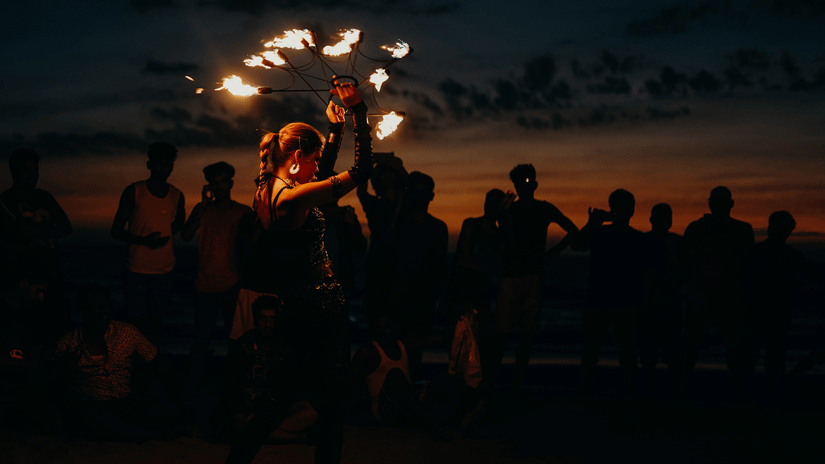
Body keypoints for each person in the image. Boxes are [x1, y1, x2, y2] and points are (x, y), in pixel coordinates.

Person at [224, 80, 372, 464]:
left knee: (274, 405)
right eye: (314, 157)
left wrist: (335, 129)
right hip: (321, 312)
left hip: (292, 309)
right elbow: (362, 169)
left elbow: (319, 174)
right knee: (333, 408)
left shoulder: (267, 189)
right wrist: (359, 112)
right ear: (296, 158)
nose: (317, 167)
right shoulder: (293, 197)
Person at [46, 285, 186, 441]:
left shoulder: (127, 332)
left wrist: (177, 398)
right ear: (84, 312)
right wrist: (66, 370)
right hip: (91, 406)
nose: (105, 310)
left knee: (168, 408)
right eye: (97, 307)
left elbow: (158, 363)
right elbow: (53, 384)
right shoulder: (67, 343)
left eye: (107, 305)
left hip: (125, 403)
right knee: (85, 416)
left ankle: (124, 430)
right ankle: (151, 435)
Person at [487, 164, 578, 396]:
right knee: (501, 334)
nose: (524, 186)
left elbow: (572, 229)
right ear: (515, 186)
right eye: (519, 183)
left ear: (534, 184)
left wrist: (554, 252)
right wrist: (502, 218)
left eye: (527, 182)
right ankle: (488, 385)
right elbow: (506, 242)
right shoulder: (510, 211)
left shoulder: (544, 209)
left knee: (526, 335)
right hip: (511, 275)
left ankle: (515, 387)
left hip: (533, 275)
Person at [571, 189, 654, 399]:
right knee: (603, 348)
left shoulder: (633, 238)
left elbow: (646, 273)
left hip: (615, 299)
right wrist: (592, 224)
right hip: (608, 299)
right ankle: (617, 392)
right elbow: (578, 245)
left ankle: (617, 391)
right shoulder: (606, 233)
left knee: (615, 348)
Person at [181, 161, 252, 397]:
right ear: (209, 185)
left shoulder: (242, 212)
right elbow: (186, 234)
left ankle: (232, 390)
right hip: (204, 286)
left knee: (237, 341)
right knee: (201, 341)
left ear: (230, 183)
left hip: (233, 284)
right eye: (215, 182)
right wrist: (201, 205)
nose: (219, 186)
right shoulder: (203, 210)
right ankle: (191, 391)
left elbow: (254, 245)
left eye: (223, 181)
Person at [676, 186, 754, 402]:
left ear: (730, 204)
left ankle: (738, 392)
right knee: (692, 345)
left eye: (720, 201)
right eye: (713, 201)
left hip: (729, 296)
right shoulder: (697, 227)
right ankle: (681, 388)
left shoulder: (742, 229)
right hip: (701, 293)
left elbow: (747, 259)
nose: (716, 205)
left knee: (733, 347)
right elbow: (682, 255)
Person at [111, 142, 186, 349]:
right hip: (137, 269)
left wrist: (167, 234)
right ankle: (129, 366)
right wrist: (145, 241)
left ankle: (150, 366)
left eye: (167, 164)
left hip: (165, 269)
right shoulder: (134, 191)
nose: (163, 168)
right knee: (133, 322)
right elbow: (115, 230)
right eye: (158, 164)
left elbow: (179, 221)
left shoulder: (177, 195)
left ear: (172, 166)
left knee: (156, 324)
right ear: (149, 164)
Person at [220, 296, 320, 444]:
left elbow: (297, 385)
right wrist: (238, 411)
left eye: (272, 319)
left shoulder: (287, 346)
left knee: (311, 412)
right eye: (263, 318)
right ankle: (298, 438)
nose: (268, 324)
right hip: (249, 411)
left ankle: (266, 434)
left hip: (278, 412)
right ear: (255, 320)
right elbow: (229, 383)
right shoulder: (242, 346)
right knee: (234, 423)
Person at [0, 148, 72, 346]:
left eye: (35, 171)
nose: (32, 176)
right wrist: (47, 228)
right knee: (28, 332)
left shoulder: (44, 197)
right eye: (27, 171)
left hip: (51, 274)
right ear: (14, 171)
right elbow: (18, 233)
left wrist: (37, 231)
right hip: (24, 280)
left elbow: (66, 226)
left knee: (60, 330)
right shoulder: (4, 202)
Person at [743, 211, 819, 398]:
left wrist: (793, 285)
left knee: (769, 352)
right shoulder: (760, 251)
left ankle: (757, 392)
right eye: (774, 226)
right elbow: (813, 273)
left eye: (780, 227)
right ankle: (750, 392)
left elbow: (813, 273)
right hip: (761, 308)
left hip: (773, 309)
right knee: (756, 351)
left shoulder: (767, 252)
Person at [384, 171, 449, 380]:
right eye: (416, 191)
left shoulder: (438, 228)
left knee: (415, 347)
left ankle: (408, 389)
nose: (420, 197)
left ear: (431, 196)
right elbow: (386, 247)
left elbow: (441, 266)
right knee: (393, 344)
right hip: (398, 291)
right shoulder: (399, 223)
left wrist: (443, 297)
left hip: (424, 294)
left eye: (424, 192)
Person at [447, 188, 510, 344]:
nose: (490, 207)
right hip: (459, 289)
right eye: (488, 203)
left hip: (481, 292)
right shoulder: (471, 224)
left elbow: (499, 267)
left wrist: (474, 263)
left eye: (496, 204)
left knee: (481, 340)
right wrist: (488, 266)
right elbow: (464, 257)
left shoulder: (501, 236)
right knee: (455, 339)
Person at [639, 203, 683, 399]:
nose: (666, 220)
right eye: (662, 216)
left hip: (670, 301)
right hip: (649, 302)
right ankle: (651, 387)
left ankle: (674, 388)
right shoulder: (643, 242)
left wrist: (674, 285)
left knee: (673, 350)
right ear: (651, 220)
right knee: (649, 350)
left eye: (669, 216)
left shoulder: (678, 242)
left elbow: (686, 269)